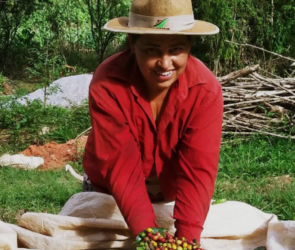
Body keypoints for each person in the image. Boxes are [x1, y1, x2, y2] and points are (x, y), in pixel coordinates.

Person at [82, 0, 223, 243]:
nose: (165, 63)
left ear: (190, 45)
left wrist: (188, 241)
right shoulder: (107, 83)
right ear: (132, 44)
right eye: (152, 50)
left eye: (176, 49)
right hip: (110, 192)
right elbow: (121, 165)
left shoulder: (205, 91)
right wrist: (149, 238)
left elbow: (197, 170)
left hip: (171, 195)